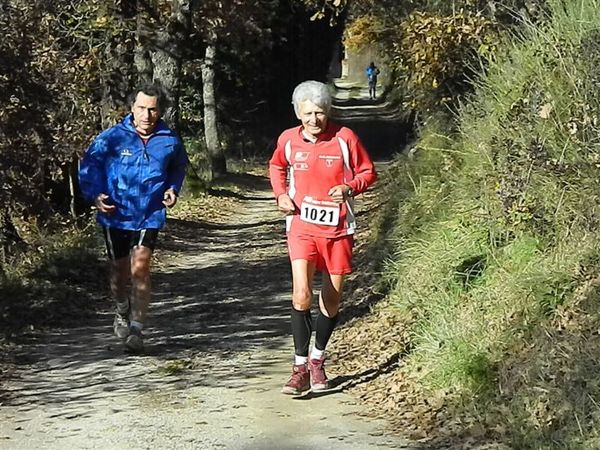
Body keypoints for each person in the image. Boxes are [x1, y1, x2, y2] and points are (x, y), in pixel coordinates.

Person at [269, 80, 377, 394]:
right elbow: (276, 166)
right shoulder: (288, 140)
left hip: (338, 228)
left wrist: (349, 188)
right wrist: (280, 196)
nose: (314, 120)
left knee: (331, 297)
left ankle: (318, 359)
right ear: (297, 113)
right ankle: (299, 366)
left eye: (319, 113)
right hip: (301, 226)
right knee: (301, 293)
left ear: (328, 112)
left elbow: (368, 171)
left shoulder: (345, 138)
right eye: (307, 114)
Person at [79, 83, 189, 353]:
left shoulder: (170, 140)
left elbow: (178, 167)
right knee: (119, 270)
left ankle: (137, 330)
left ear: (160, 110)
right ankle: (121, 309)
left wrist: (172, 189)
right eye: (141, 108)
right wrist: (95, 195)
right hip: (116, 214)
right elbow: (89, 165)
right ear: (132, 109)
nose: (147, 115)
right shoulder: (112, 137)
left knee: (140, 267)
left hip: (149, 213)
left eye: (152, 110)